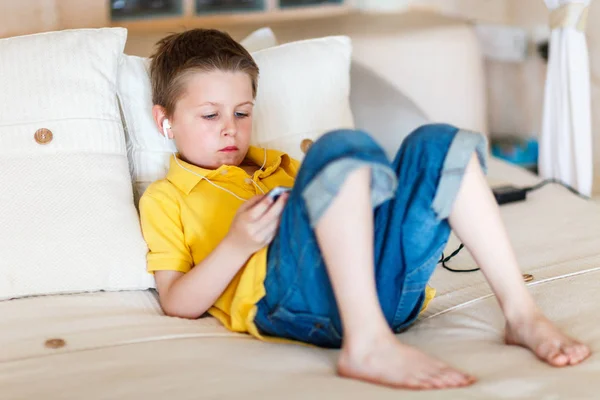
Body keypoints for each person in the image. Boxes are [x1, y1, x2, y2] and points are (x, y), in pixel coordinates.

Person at [139, 28, 590, 391]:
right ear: (166, 121)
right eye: (209, 115)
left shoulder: (285, 168)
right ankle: (367, 346)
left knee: (439, 141)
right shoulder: (167, 197)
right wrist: (238, 244)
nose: (230, 130)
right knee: (342, 147)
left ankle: (523, 316)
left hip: (387, 294)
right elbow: (176, 301)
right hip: (287, 303)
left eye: (241, 112)